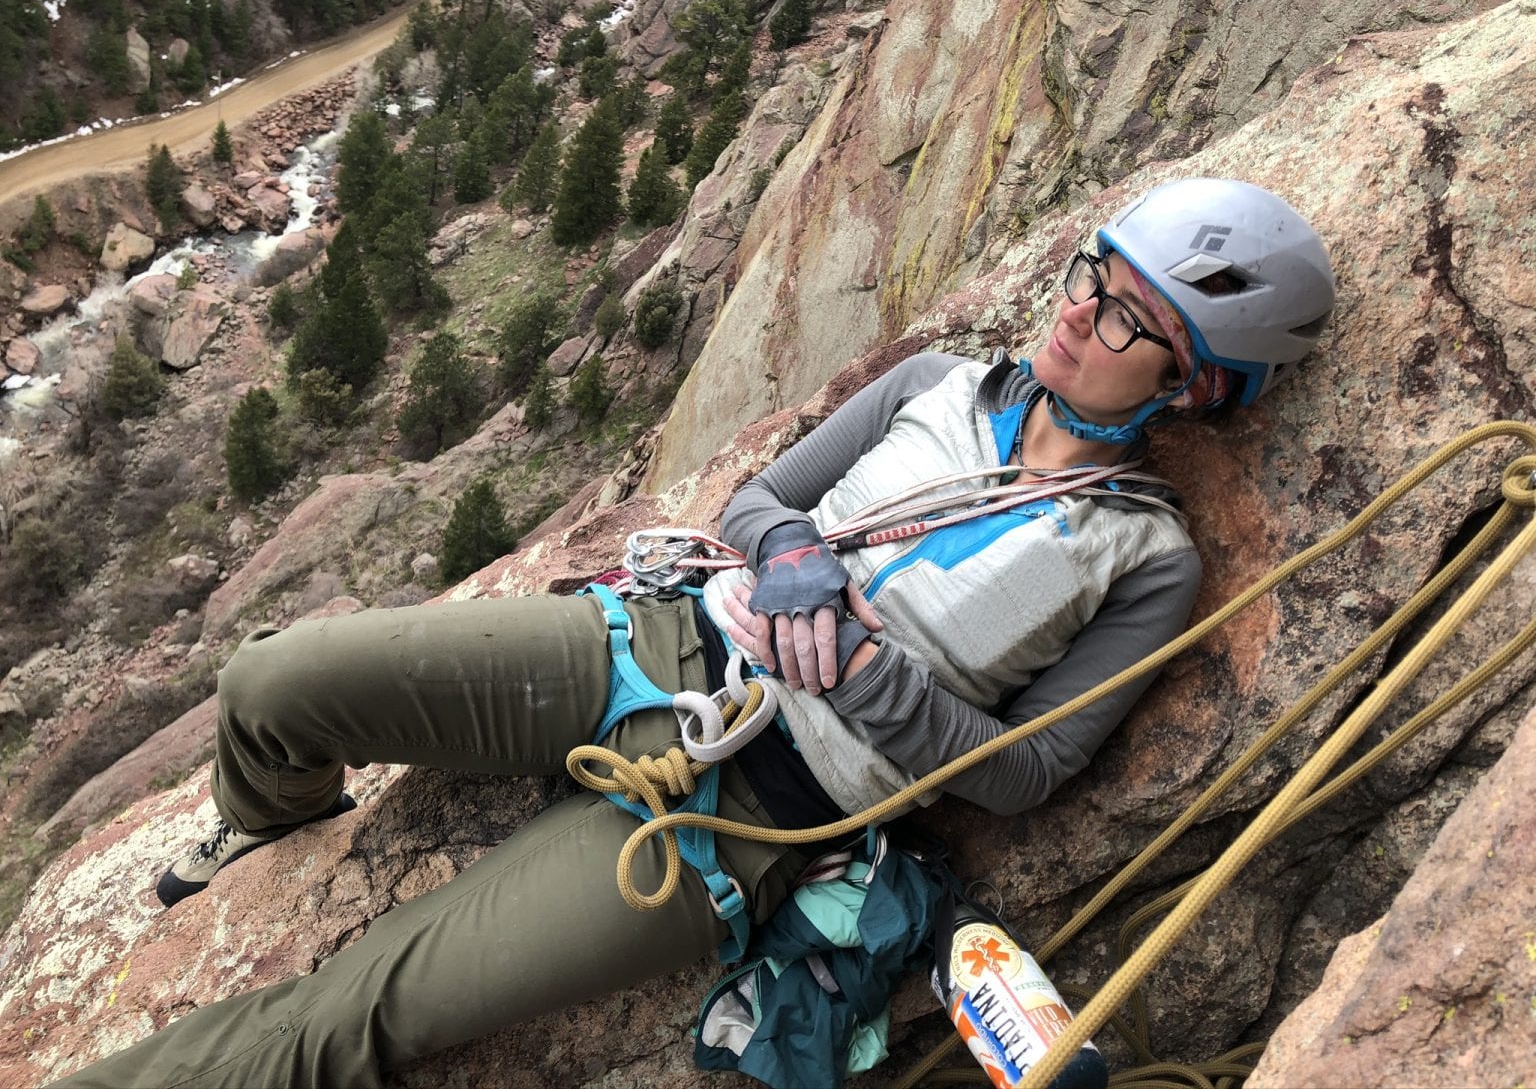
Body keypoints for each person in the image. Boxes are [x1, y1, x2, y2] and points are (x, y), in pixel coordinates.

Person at [51, 177, 1334, 1088]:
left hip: (748, 815)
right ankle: (271, 816)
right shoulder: (937, 383)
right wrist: (784, 560)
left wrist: (873, 674)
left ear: (1197, 383)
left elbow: (1031, 770)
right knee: (274, 682)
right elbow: (763, 499)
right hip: (650, 644)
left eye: (1128, 319)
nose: (1076, 313)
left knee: (358, 1012)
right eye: (1092, 280)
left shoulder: (1143, 557)